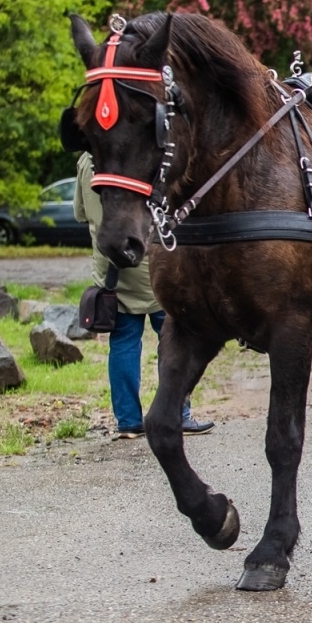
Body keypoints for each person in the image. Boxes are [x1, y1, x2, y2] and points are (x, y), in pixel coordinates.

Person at [74, 152, 214, 440]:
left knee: (124, 340)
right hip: (151, 260)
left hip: (111, 265)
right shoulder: (144, 154)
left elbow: (79, 212)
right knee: (173, 336)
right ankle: (178, 413)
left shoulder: (87, 161)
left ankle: (129, 422)